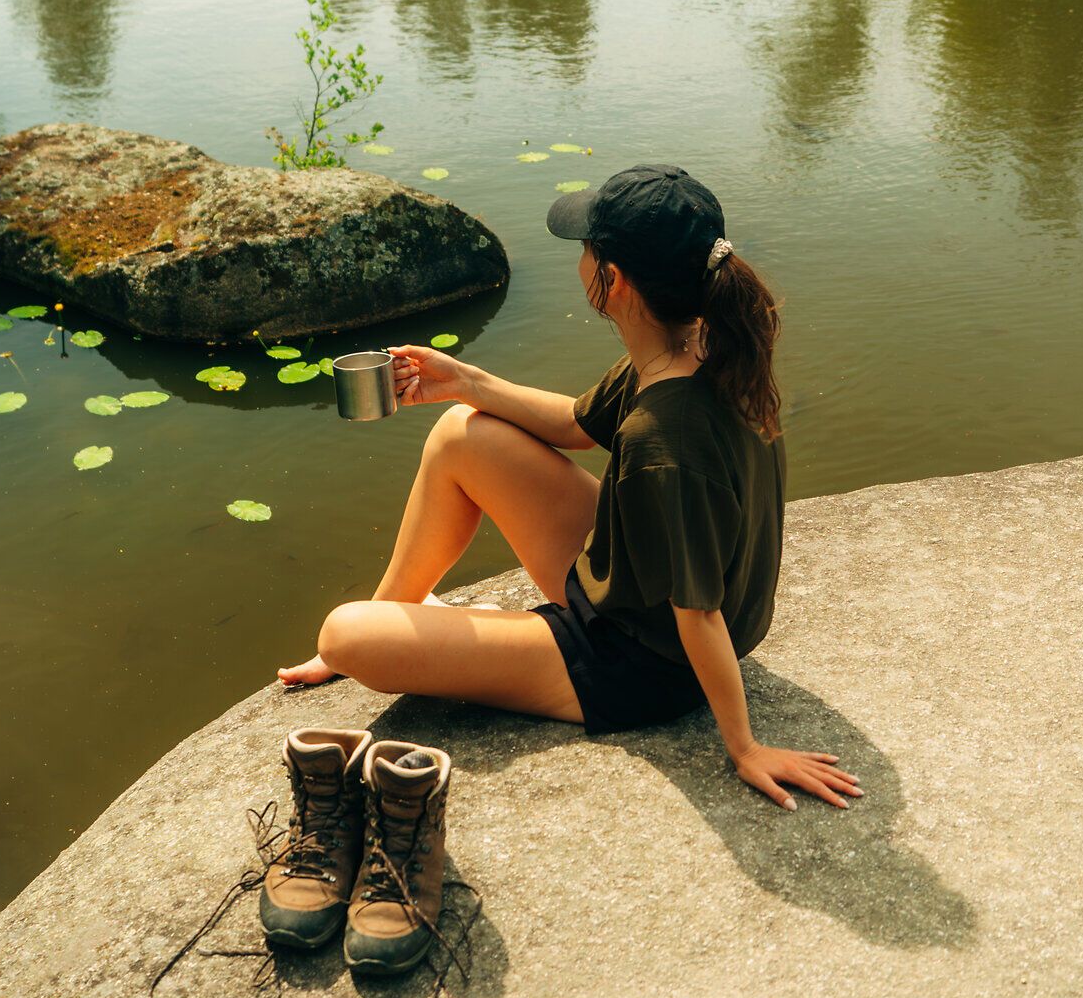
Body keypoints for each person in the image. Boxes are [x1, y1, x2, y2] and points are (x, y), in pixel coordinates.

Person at [277, 161, 860, 818]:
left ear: (612, 282)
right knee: (458, 435)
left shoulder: (661, 440)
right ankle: (405, 606)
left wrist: (744, 746)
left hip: (640, 663)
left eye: (587, 247)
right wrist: (466, 381)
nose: (578, 258)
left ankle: (427, 630)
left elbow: (695, 612)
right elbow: (573, 426)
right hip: (635, 592)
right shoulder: (698, 344)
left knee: (346, 638)